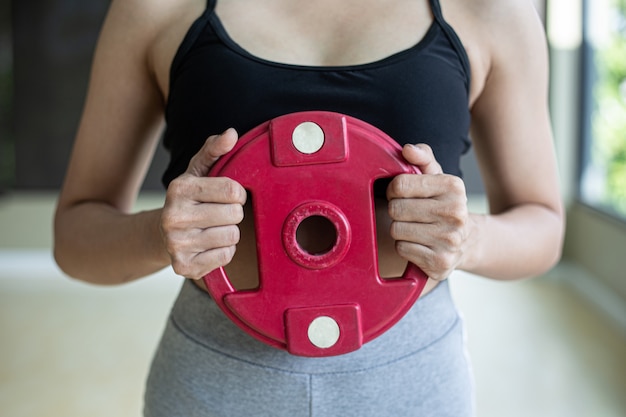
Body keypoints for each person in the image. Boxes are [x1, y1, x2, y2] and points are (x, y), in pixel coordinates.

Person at [53, 0, 564, 415]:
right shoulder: (155, 8)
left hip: (408, 378)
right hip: (217, 376)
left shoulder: (493, 10)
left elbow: (542, 225)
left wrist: (469, 237)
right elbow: (76, 236)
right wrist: (159, 236)